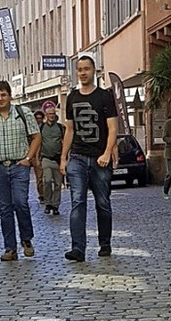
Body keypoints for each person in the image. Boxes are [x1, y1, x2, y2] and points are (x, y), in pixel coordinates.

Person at [0, 81, 41, 262]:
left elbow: (36, 136)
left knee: (21, 202)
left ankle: (26, 239)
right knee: (5, 208)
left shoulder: (23, 113)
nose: (0, 98)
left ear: (10, 96)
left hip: (19, 166)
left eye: (3, 95)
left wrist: (28, 158)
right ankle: (10, 248)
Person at [60, 57, 118, 261]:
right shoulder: (72, 97)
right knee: (78, 201)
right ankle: (78, 249)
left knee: (102, 202)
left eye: (86, 69)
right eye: (80, 69)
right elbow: (69, 129)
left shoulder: (104, 96)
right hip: (77, 156)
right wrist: (63, 158)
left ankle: (105, 243)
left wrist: (107, 152)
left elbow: (112, 128)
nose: (83, 72)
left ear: (94, 71)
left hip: (99, 159)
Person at [41, 107, 65, 215]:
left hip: (58, 159)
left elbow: (65, 142)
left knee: (58, 184)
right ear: (46, 115)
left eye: (53, 113)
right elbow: (37, 142)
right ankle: (48, 203)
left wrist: (65, 158)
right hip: (45, 158)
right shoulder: (41, 128)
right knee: (47, 181)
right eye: (50, 114)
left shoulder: (60, 127)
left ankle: (55, 205)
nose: (52, 115)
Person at [33, 110, 45, 202]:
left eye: (40, 118)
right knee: (39, 177)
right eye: (37, 119)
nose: (39, 120)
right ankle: (41, 194)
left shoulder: (45, 128)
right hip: (35, 156)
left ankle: (46, 195)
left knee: (47, 178)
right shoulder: (32, 129)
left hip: (45, 154)